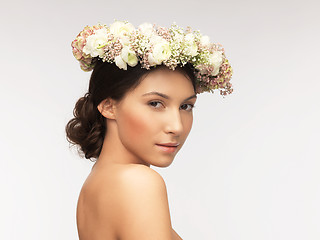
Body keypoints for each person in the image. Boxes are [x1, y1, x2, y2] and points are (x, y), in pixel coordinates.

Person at [66, 20, 233, 240]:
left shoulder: (97, 183)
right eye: (155, 103)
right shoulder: (138, 183)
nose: (176, 126)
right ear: (109, 106)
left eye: (186, 106)